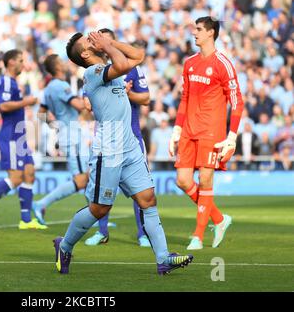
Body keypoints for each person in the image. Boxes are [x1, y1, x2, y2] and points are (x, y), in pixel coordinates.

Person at [54, 31, 193, 275]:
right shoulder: (93, 73)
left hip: (128, 144)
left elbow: (138, 56)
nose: (94, 39)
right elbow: (121, 63)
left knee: (148, 199)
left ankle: (163, 258)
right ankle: (64, 246)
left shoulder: (108, 65)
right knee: (100, 209)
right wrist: (107, 45)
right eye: (89, 40)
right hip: (108, 150)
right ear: (85, 53)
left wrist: (110, 43)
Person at [169, 17, 244, 250]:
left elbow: (237, 101)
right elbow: (184, 98)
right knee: (182, 180)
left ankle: (198, 236)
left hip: (211, 132)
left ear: (211, 33)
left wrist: (231, 137)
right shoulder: (189, 63)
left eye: (199, 30)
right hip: (188, 130)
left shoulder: (223, 63)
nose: (194, 33)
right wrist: (176, 129)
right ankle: (219, 219)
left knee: (205, 179)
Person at [84, 28, 152, 248]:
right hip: (107, 137)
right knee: (103, 188)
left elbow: (146, 98)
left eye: (102, 40)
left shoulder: (131, 67)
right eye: (96, 40)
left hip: (132, 134)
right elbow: (86, 104)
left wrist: (127, 92)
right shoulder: (95, 70)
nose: (97, 44)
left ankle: (142, 233)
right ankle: (101, 232)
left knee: (140, 190)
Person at [0, 49, 47, 230]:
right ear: (11, 62)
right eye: (20, 60)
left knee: (29, 173)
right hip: (11, 136)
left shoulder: (9, 82)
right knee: (16, 177)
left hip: (18, 135)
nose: (23, 64)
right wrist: (26, 102)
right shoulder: (6, 81)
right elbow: (2, 105)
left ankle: (26, 221)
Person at [31, 54, 89, 224]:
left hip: (67, 133)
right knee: (81, 179)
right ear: (56, 67)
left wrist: (55, 124)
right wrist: (90, 98)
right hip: (72, 135)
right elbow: (79, 106)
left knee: (87, 177)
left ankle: (98, 218)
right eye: (61, 61)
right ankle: (42, 203)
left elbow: (40, 113)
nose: (65, 63)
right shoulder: (61, 86)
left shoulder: (48, 88)